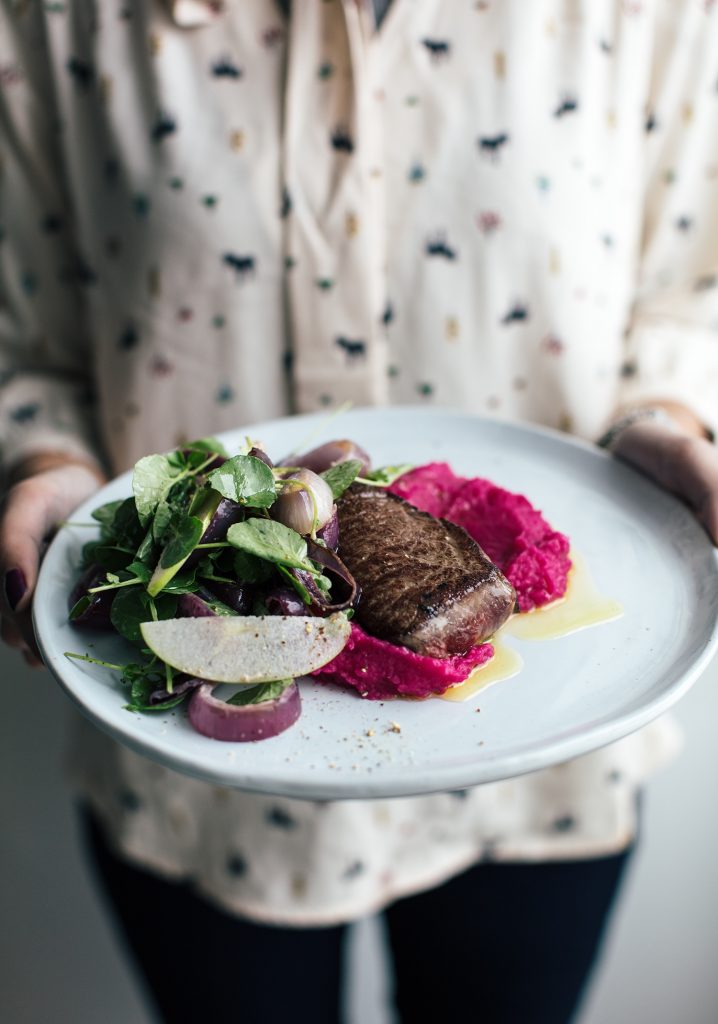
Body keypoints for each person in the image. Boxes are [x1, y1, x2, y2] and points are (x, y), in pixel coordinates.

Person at [1, 2, 716, 1021]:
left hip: (551, 752)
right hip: (199, 771)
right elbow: (25, 332)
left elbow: (688, 289)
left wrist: (669, 418)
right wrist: (49, 467)